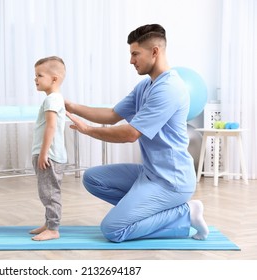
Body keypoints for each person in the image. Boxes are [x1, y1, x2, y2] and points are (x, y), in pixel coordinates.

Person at [65, 24, 209, 242]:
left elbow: (131, 133)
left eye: (135, 54)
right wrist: (70, 106)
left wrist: (87, 130)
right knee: (93, 179)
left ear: (154, 51)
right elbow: (113, 114)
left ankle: (186, 213)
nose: (131, 60)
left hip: (172, 181)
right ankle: (147, 211)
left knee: (113, 230)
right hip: (150, 173)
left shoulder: (169, 88)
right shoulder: (146, 85)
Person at [30, 56, 68, 241]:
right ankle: (48, 223)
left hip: (49, 155)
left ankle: (53, 228)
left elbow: (51, 127)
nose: (35, 79)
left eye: (39, 75)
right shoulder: (53, 99)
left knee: (49, 192)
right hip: (48, 154)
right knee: (45, 190)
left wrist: (44, 153)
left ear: (54, 79)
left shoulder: (52, 99)